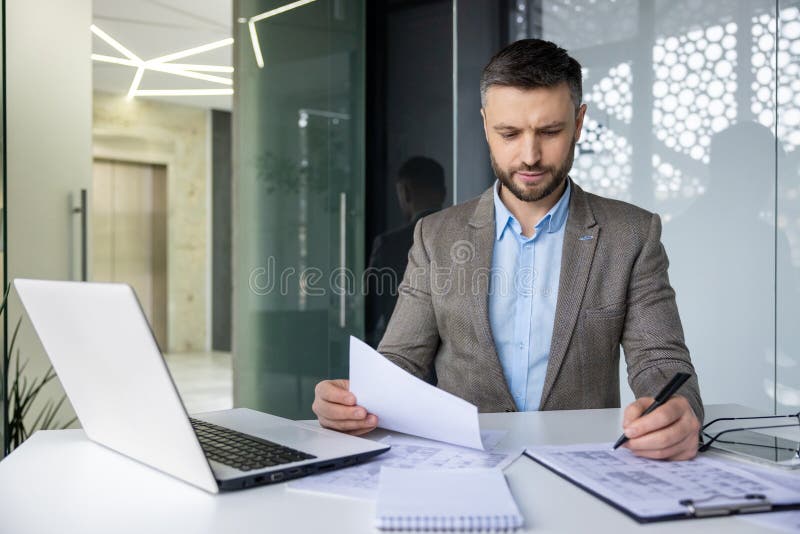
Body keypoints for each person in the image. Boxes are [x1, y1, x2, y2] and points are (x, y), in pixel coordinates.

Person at [313, 39, 703, 461]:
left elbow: (659, 359)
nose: (530, 156)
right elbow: (401, 362)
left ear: (579, 121)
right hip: (462, 467)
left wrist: (679, 411)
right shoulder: (435, 236)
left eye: (550, 131)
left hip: (582, 470)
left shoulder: (631, 233)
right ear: (485, 126)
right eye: (509, 133)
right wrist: (353, 402)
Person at [365, 156, 447, 347]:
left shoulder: (388, 245)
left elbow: (369, 313)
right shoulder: (467, 239)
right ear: (444, 193)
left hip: (402, 359)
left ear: (405, 192)